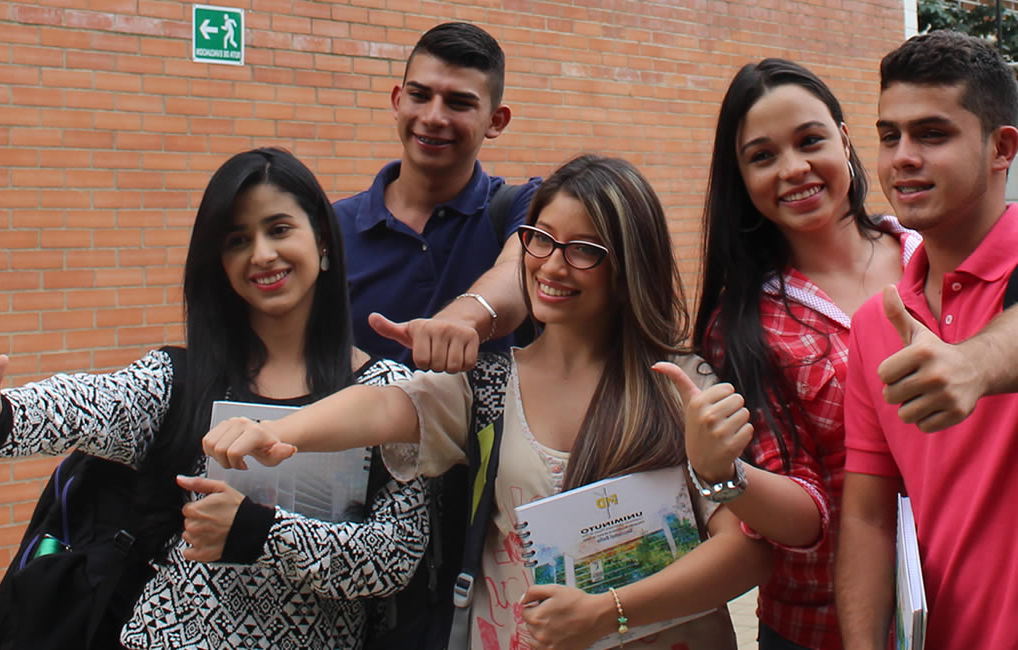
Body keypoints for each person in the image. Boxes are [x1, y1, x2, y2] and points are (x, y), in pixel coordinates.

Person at [205, 154, 767, 650]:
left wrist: (606, 614)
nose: (550, 265)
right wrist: (279, 432)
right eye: (540, 239)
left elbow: (744, 551)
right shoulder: (492, 384)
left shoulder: (678, 384)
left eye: (583, 250)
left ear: (629, 263)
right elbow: (383, 408)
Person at [0, 148, 430, 648]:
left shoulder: (389, 397)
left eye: (279, 230)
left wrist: (260, 532)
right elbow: (89, 404)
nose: (261, 255)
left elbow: (393, 557)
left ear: (321, 237)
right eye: (238, 240)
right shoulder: (182, 380)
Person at [833, 31, 1018, 649]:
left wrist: (970, 365)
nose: (901, 157)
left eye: (932, 134)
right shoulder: (875, 324)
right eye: (890, 135)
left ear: (1002, 147)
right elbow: (866, 515)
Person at [684, 57, 920, 650]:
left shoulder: (933, 253)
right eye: (762, 156)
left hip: (980, 604)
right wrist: (724, 475)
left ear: (844, 138)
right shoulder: (740, 324)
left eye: (810, 141)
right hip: (821, 630)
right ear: (740, 177)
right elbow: (806, 519)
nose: (793, 169)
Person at [333, 22, 541, 372]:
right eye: (420, 95)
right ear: (398, 101)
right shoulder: (331, 225)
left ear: (496, 121)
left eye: (459, 103)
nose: (433, 117)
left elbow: (517, 271)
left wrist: (464, 317)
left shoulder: (524, 206)